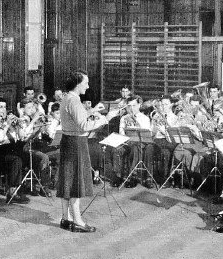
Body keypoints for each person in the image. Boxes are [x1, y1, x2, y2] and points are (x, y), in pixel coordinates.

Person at [58, 69, 119, 233]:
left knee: (67, 180)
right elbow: (84, 125)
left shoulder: (67, 98)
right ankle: (78, 221)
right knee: (76, 182)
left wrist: (92, 111)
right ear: (78, 84)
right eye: (85, 82)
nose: (88, 85)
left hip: (67, 141)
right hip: (76, 143)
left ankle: (66, 218)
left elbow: (74, 117)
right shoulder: (75, 101)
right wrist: (107, 118)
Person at [0, 97, 28, 204]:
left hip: (9, 151)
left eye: (5, 107)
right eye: (0, 107)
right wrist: (7, 125)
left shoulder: (7, 121)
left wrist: (19, 125)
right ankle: (12, 192)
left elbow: (20, 137)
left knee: (20, 157)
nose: (3, 110)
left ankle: (14, 191)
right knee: (17, 159)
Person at [118, 95, 154, 188]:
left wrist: (137, 125)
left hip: (141, 142)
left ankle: (143, 177)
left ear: (139, 105)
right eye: (129, 106)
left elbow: (146, 135)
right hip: (128, 142)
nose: (131, 108)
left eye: (134, 106)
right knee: (133, 147)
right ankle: (131, 176)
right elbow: (121, 133)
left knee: (143, 148)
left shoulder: (145, 118)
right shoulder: (124, 118)